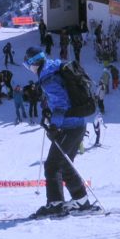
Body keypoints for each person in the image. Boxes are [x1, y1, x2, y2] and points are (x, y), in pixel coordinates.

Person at [23, 48, 99, 217]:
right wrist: (49, 113)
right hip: (77, 124)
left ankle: (55, 204)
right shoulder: (54, 67)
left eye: (28, 65)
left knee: (52, 165)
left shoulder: (48, 77)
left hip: (69, 126)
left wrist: (55, 125)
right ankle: (81, 201)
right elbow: (59, 100)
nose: (30, 69)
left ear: (33, 63)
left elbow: (62, 104)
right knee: (65, 164)